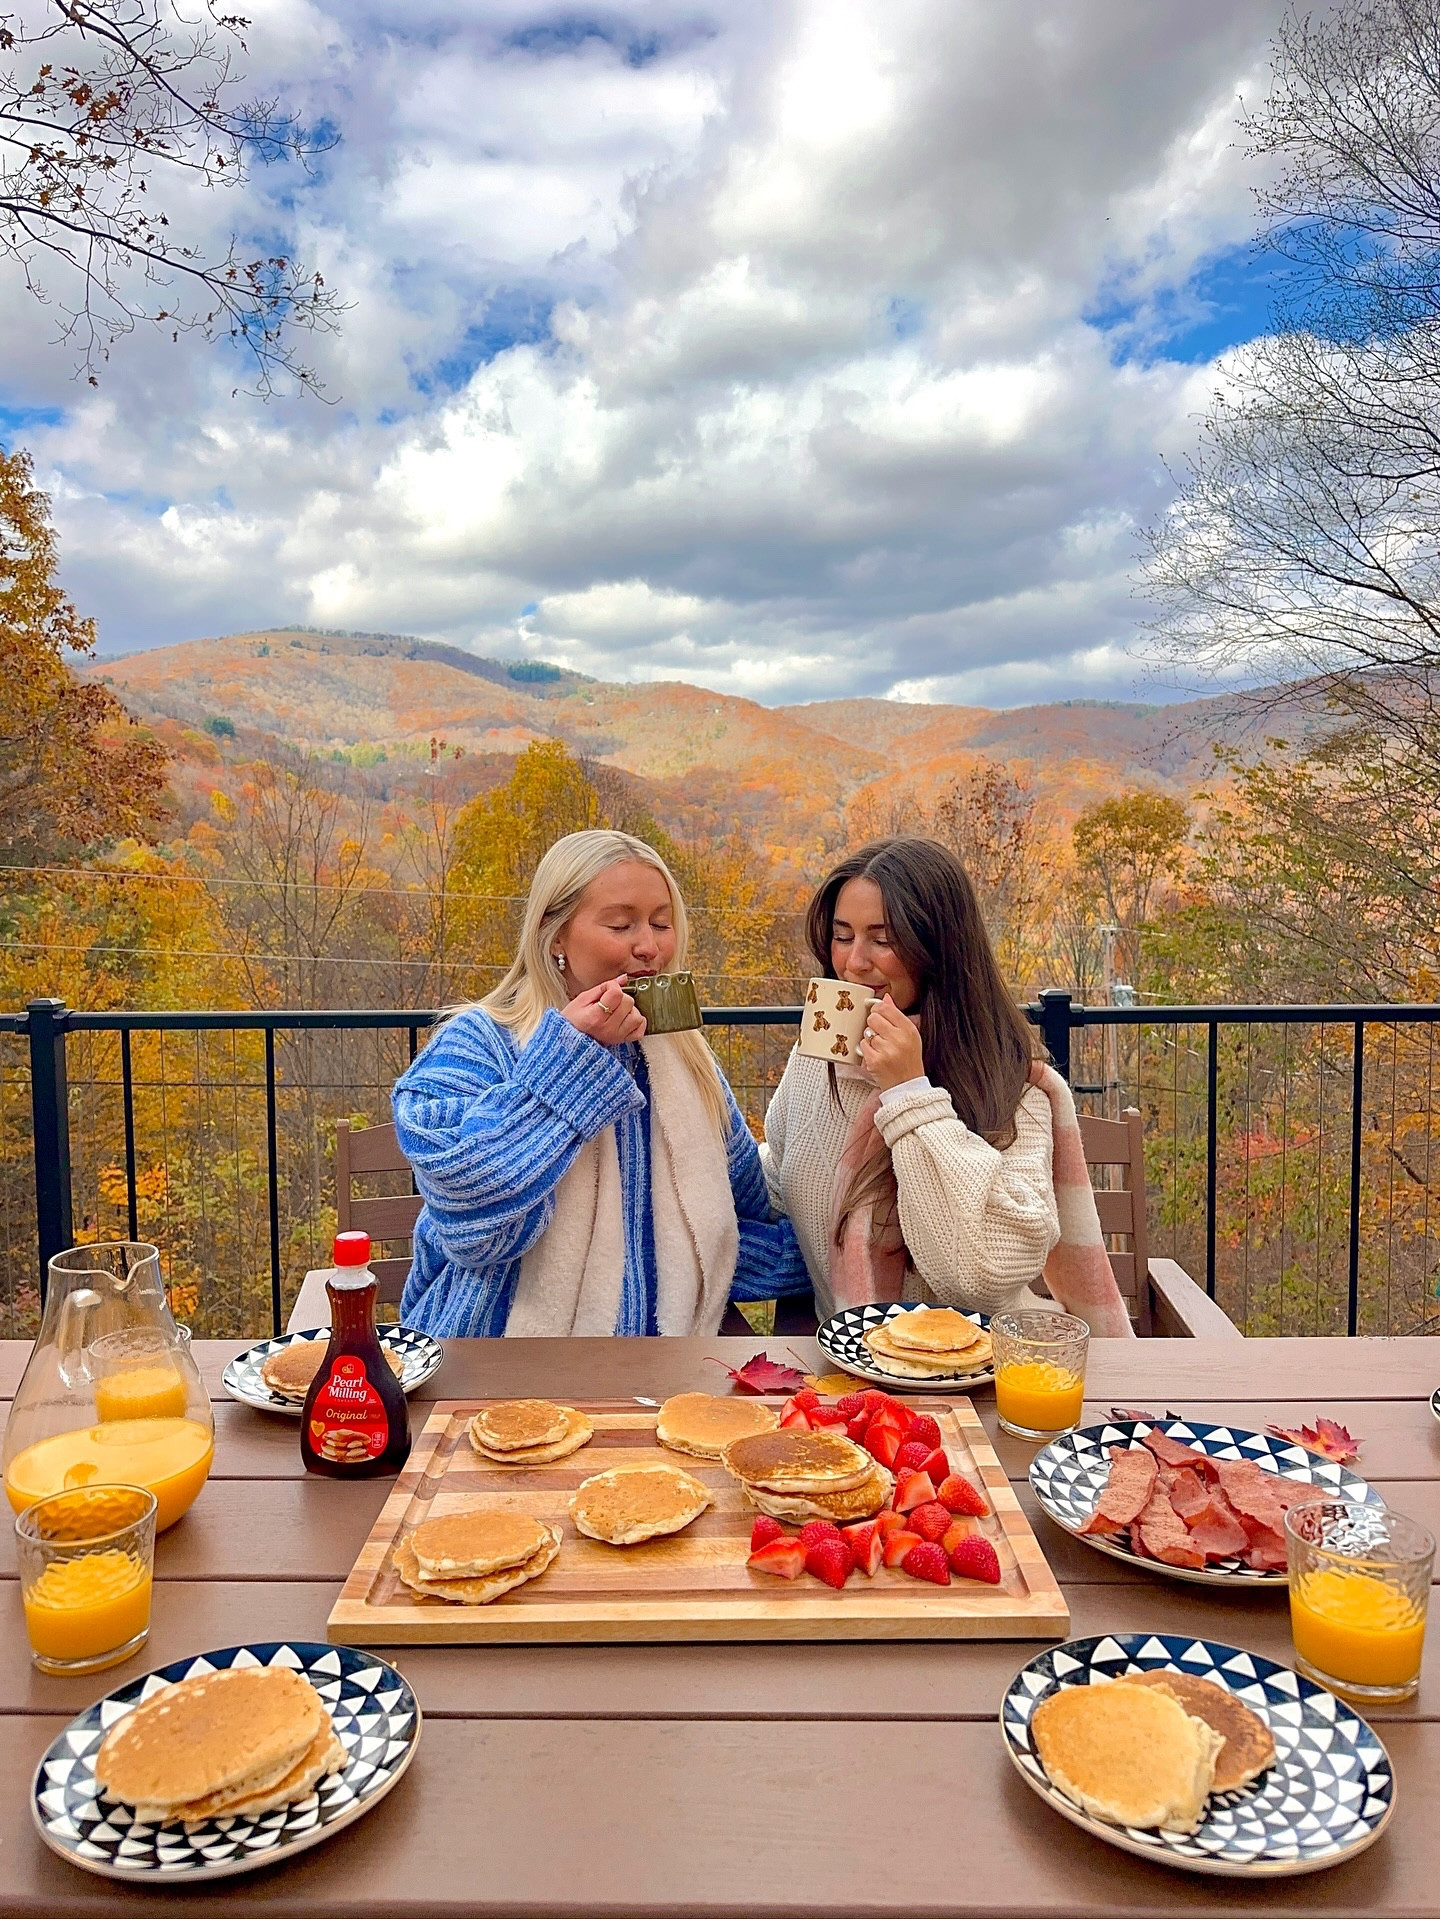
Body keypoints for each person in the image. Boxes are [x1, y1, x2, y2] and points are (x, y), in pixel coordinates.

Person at [393, 829, 808, 1336]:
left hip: (665, 1358)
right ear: (554, 935)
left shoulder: (684, 1055)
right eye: (621, 925)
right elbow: (474, 1226)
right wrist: (571, 1059)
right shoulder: (475, 1044)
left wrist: (829, 1253)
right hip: (493, 1358)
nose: (649, 946)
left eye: (661, 923)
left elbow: (734, 1217)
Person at [762, 837, 1133, 1336]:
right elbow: (782, 1179)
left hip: (985, 1364)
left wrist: (909, 1093)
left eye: (883, 940)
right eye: (842, 936)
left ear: (939, 950)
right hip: (852, 1364)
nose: (854, 962)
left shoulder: (1009, 1085)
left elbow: (983, 1275)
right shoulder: (817, 1060)